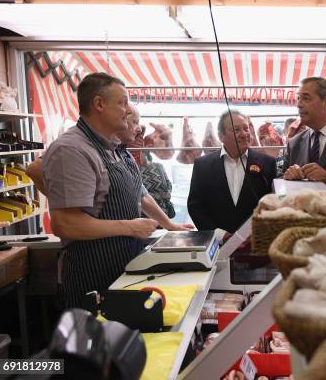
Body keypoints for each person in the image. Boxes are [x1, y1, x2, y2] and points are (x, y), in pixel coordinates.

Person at [41, 73, 188, 308]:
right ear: (99, 104)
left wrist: (170, 226)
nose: (126, 110)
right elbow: (65, 224)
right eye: (122, 103)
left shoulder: (116, 148)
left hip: (123, 268)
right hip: (92, 275)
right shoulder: (72, 149)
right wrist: (130, 226)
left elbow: (140, 193)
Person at [187, 110, 277, 237]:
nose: (244, 134)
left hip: (256, 243)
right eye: (236, 130)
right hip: (216, 244)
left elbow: (273, 204)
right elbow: (195, 206)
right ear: (221, 136)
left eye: (246, 128)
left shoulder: (268, 163)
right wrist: (219, 234)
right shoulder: (202, 165)